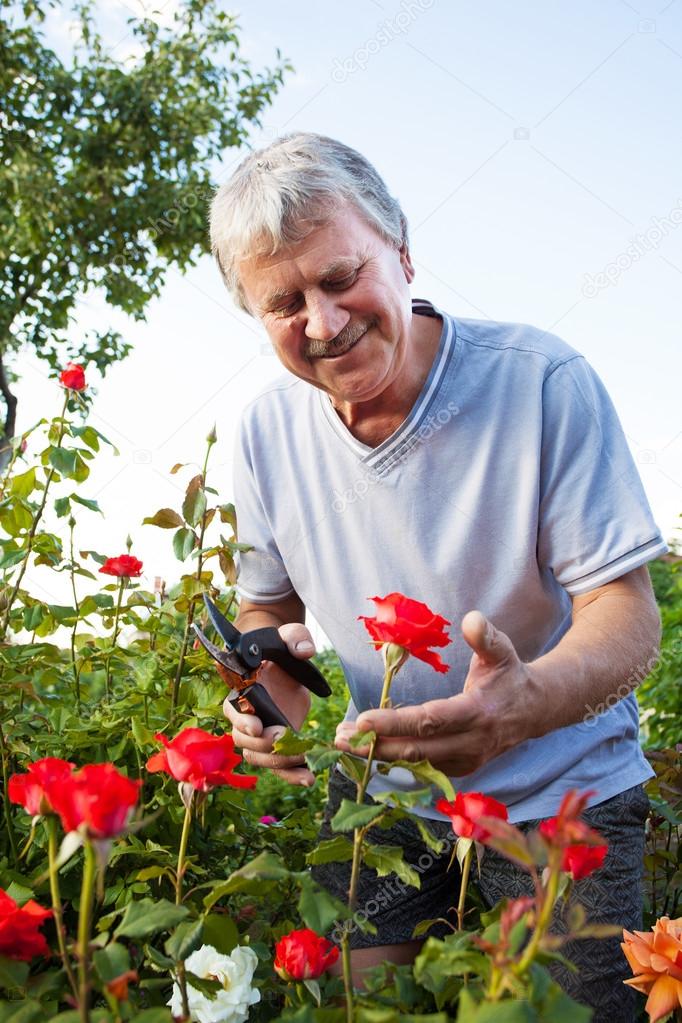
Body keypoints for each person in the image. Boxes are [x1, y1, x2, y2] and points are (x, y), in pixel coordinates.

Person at [209, 132, 666, 1020]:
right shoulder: (266, 434)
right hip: (380, 798)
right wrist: (269, 704)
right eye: (284, 303)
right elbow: (269, 608)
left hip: (559, 795)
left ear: (404, 251)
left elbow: (629, 613)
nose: (324, 322)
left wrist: (524, 704)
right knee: (361, 1004)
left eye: (342, 278)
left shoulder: (541, 381)